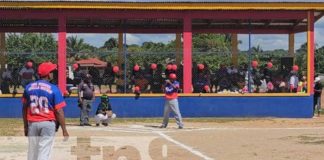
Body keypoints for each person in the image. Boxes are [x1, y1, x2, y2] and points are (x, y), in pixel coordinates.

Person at [22, 62, 69, 160]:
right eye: (52, 71)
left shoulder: (28, 87)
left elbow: (24, 108)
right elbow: (59, 111)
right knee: (44, 151)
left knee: (32, 152)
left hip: (32, 123)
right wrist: (64, 129)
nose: (53, 73)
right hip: (47, 123)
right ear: (48, 74)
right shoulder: (54, 89)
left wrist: (26, 126)